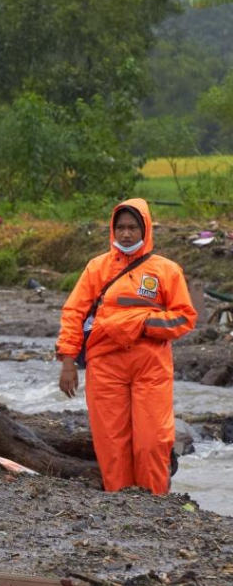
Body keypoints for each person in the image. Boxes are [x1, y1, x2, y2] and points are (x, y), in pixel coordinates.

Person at [56, 199, 196, 495]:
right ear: (113, 229)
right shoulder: (97, 268)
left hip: (151, 365)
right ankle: (119, 502)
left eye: (133, 227)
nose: (126, 233)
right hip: (104, 364)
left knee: (152, 441)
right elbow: (73, 313)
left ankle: (155, 502)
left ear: (145, 229)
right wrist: (68, 361)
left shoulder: (167, 270)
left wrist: (140, 323)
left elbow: (184, 318)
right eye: (120, 227)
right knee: (111, 443)